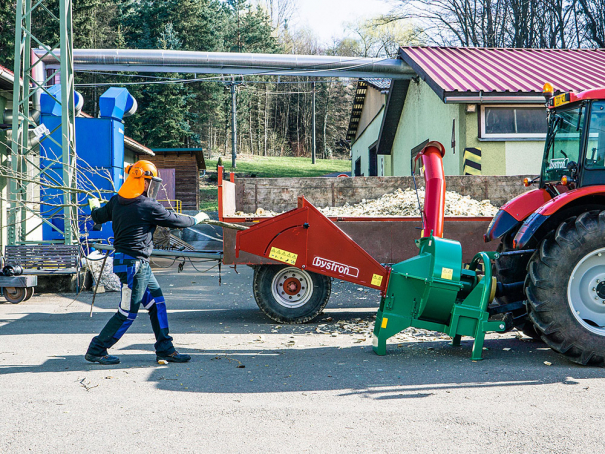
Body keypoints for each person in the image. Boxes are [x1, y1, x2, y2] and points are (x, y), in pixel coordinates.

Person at [84, 160, 208, 365]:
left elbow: (98, 215)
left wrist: (95, 205)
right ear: (142, 180)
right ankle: (97, 349)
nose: (152, 187)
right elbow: (175, 220)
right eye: (150, 182)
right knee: (127, 312)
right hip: (133, 266)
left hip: (135, 264)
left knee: (157, 302)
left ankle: (165, 349)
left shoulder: (116, 201)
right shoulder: (147, 205)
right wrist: (196, 219)